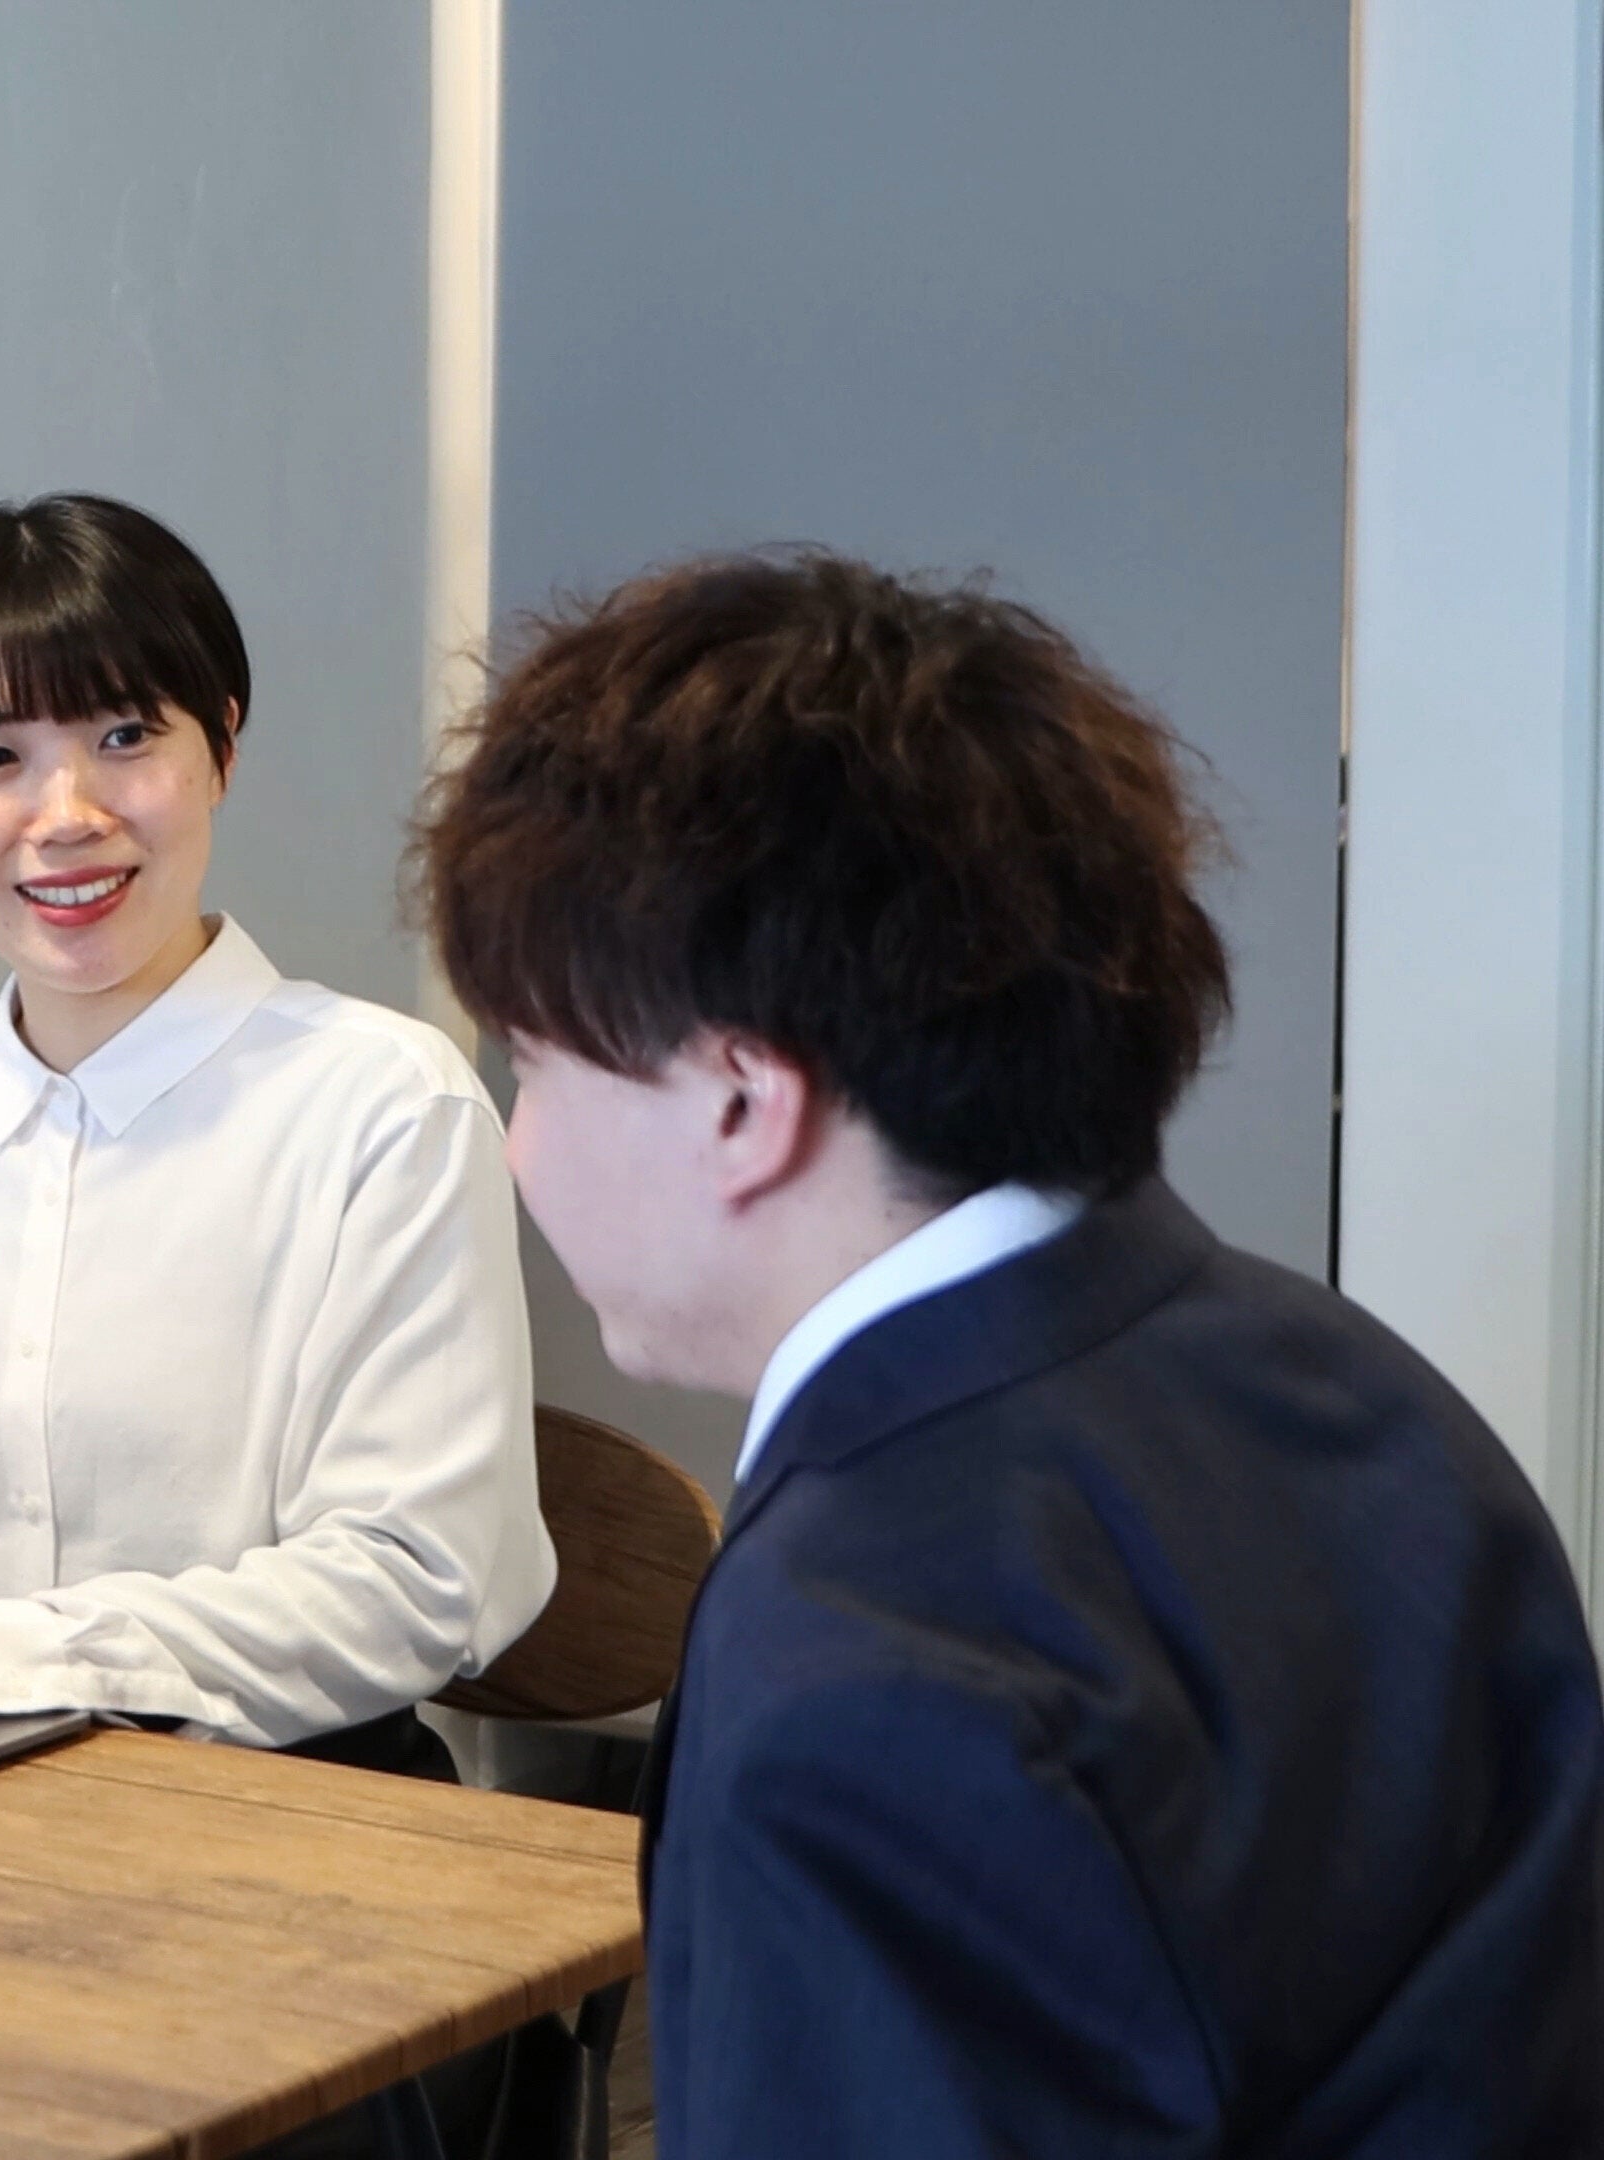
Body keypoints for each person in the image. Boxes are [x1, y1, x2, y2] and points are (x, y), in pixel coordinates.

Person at [414, 549, 1604, 2155]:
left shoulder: (859, 1664)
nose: (520, 1145)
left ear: (744, 1103)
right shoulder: (1370, 1398)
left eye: (537, 1064)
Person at [0, 494, 555, 1776]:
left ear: (224, 747)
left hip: (274, 1808)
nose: (67, 813)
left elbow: (412, 1580)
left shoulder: (384, 1106)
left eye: (125, 736)